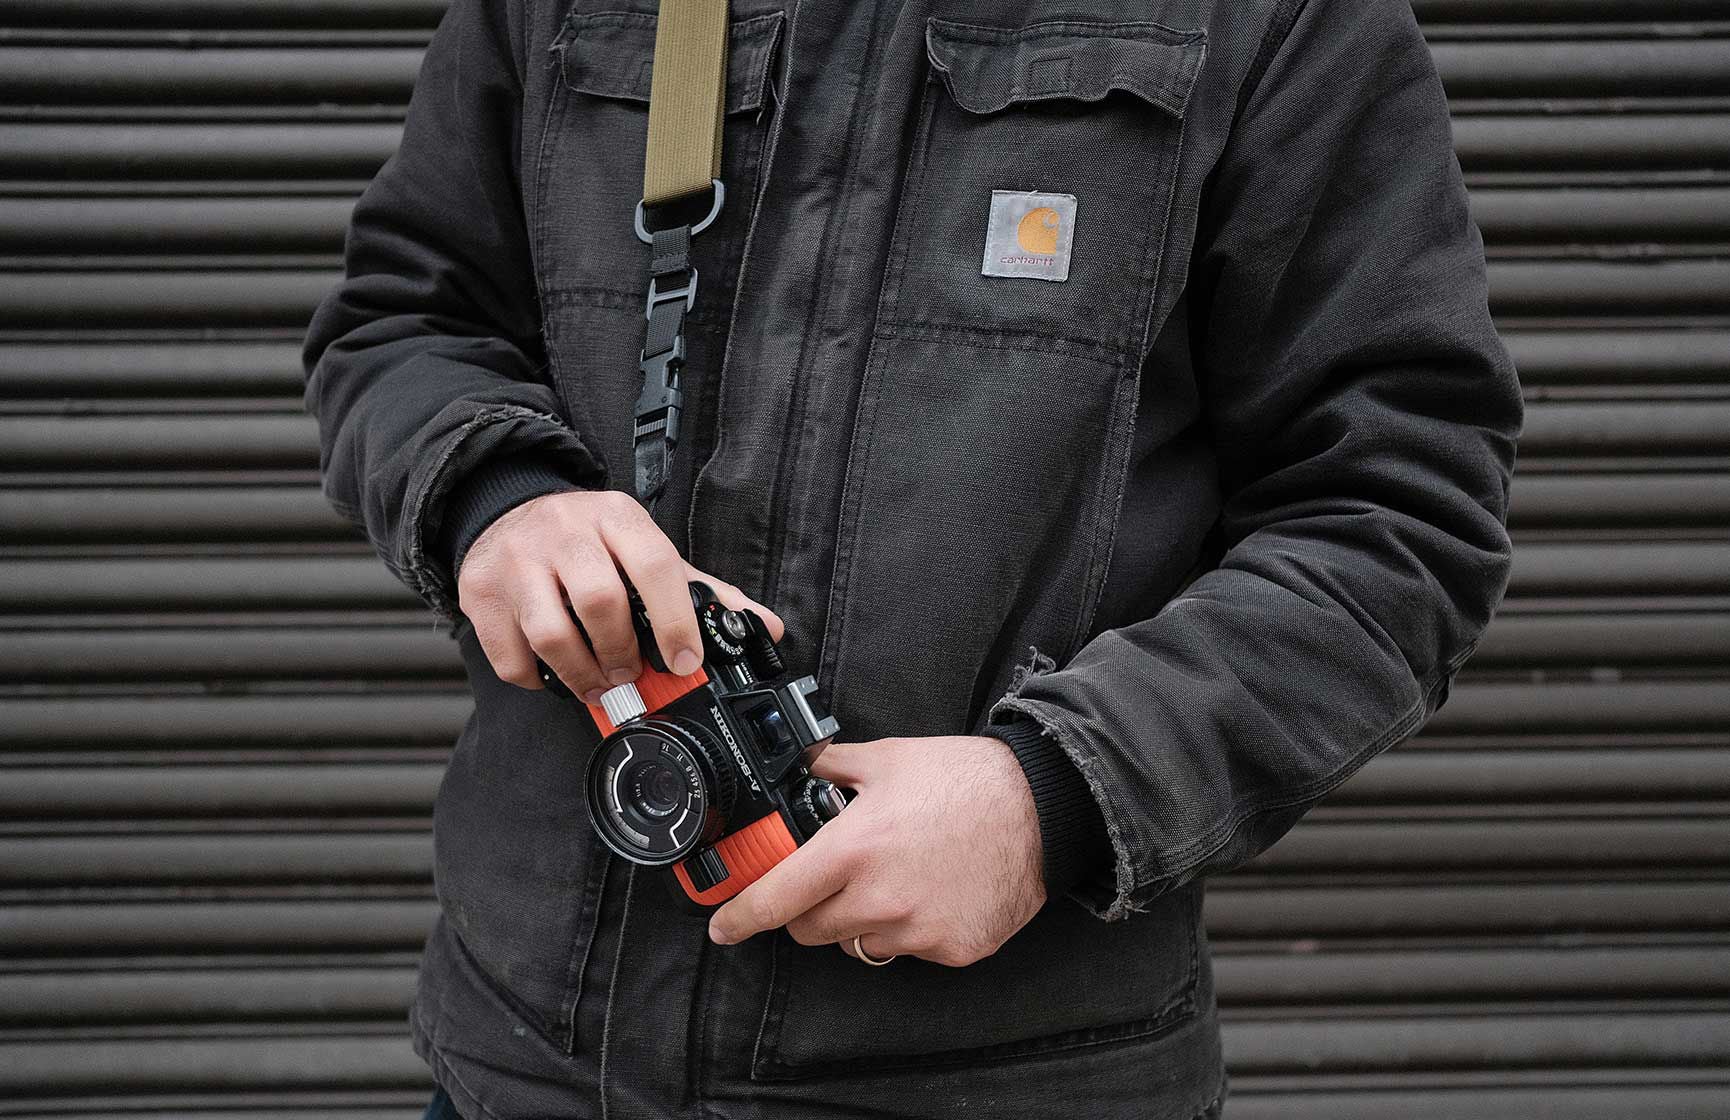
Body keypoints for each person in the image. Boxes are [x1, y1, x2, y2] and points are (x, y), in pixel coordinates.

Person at [301, 0, 1522, 1115]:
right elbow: (407, 314)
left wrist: (1049, 798)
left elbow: (1397, 511)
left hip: (1009, 1082)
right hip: (522, 1068)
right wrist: (499, 496)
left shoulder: (1279, 22)